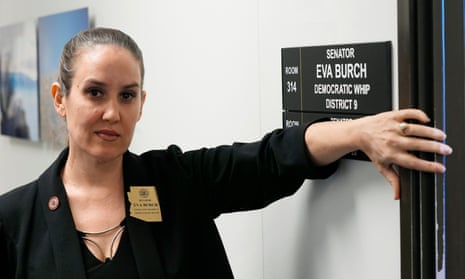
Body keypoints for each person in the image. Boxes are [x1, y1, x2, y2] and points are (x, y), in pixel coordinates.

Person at [0, 27, 452, 279]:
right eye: (95, 92)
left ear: (142, 103)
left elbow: (269, 160)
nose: (112, 113)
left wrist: (359, 132)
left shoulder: (174, 181)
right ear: (60, 97)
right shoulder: (14, 219)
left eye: (127, 95)